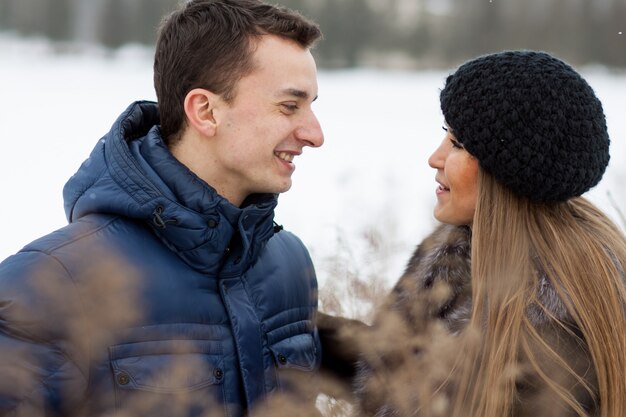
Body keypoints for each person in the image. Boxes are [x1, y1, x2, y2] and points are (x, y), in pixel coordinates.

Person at [0, 1, 325, 416]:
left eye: (313, 105)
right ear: (205, 111)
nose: (315, 134)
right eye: (289, 106)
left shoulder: (290, 264)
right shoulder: (50, 283)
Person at [318, 50, 626, 417]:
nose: (435, 157)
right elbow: (410, 370)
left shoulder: (549, 338)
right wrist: (301, 338)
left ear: (508, 172)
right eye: (444, 136)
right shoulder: (467, 252)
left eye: (458, 144)